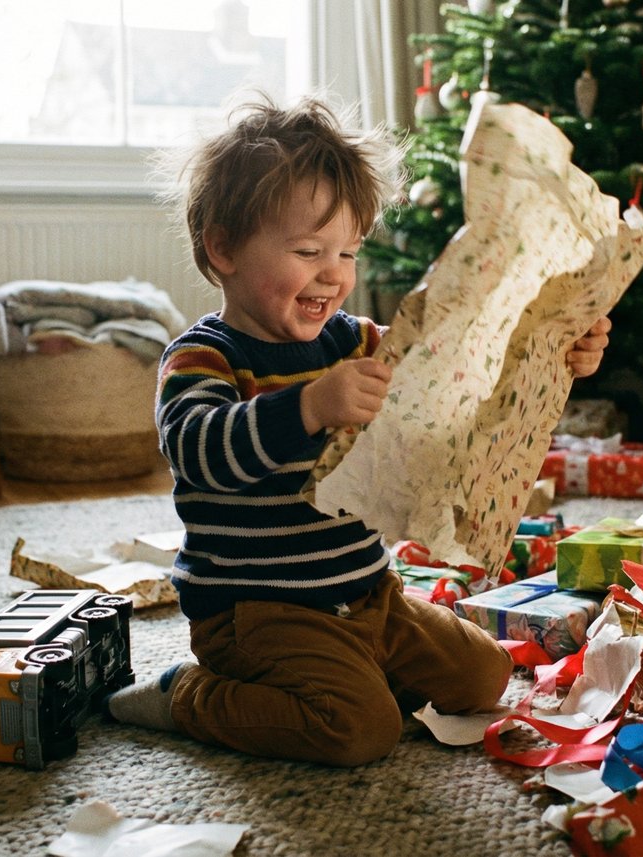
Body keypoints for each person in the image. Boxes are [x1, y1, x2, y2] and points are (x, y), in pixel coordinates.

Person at [107, 93, 613, 767]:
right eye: (310, 249)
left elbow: (458, 384)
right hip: (258, 613)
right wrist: (310, 408)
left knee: (486, 677)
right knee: (358, 731)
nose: (334, 274)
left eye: (348, 252)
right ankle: (187, 694)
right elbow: (201, 451)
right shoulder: (203, 356)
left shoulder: (359, 344)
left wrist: (556, 353)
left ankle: (362, 672)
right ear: (222, 247)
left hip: (371, 593)